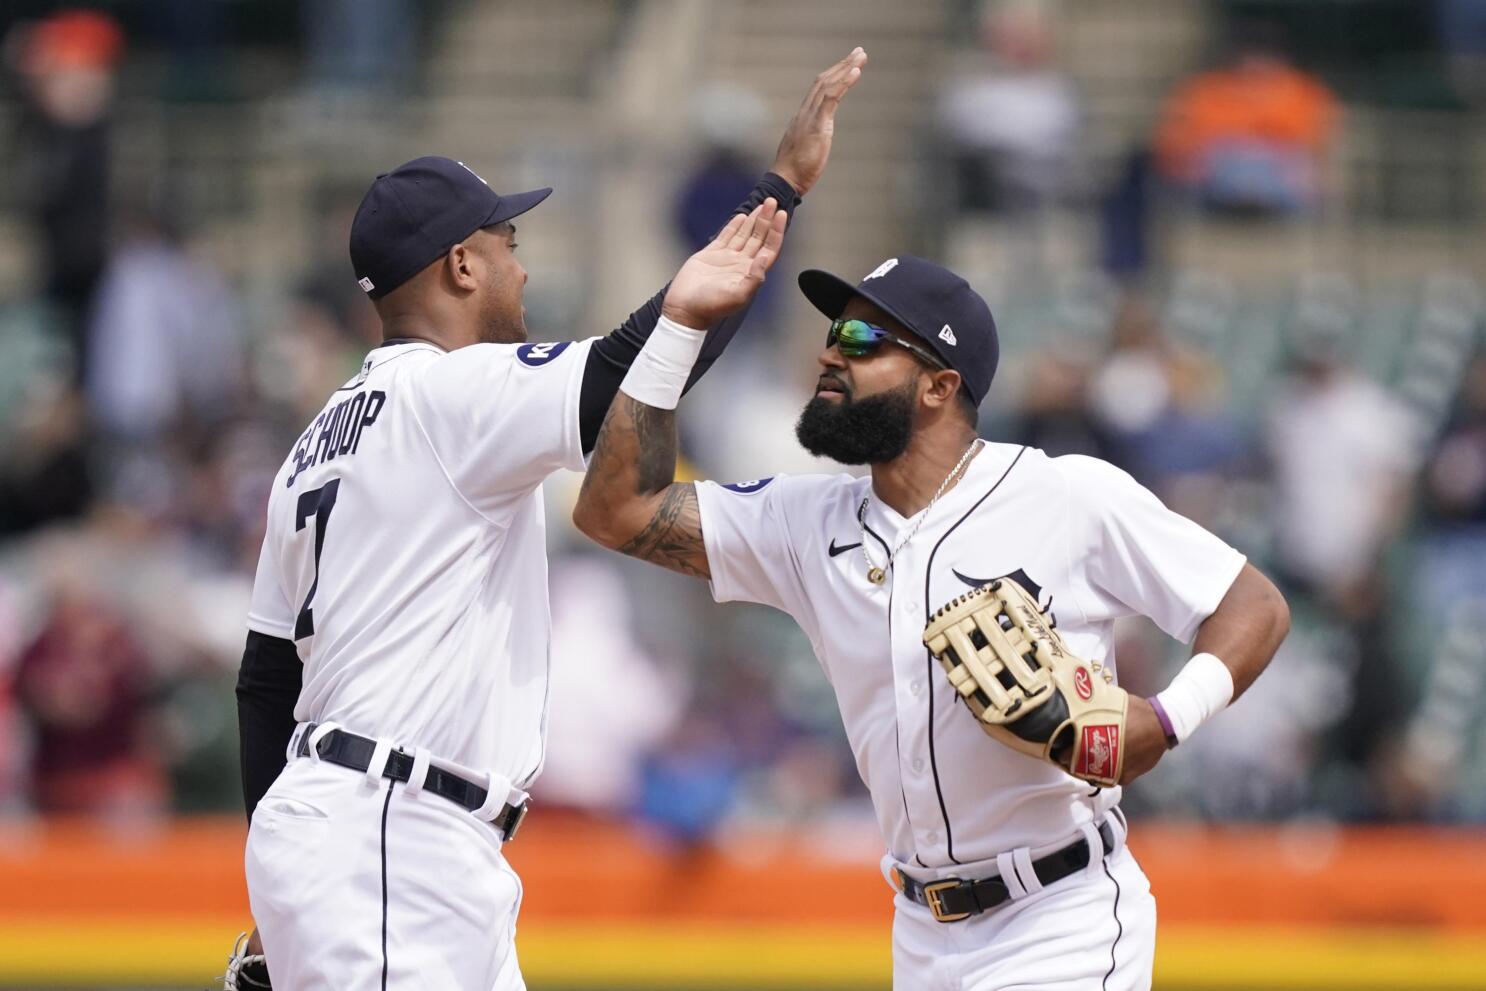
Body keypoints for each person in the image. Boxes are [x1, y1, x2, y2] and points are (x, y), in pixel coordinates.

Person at [232, 48, 867, 989]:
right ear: (459, 265)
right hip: (389, 831)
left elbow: (265, 678)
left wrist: (273, 891)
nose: (519, 271)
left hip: (385, 836)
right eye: (507, 248)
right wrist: (778, 193)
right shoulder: (450, 394)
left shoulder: (316, 442)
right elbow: (627, 378)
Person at [573, 255, 1290, 989]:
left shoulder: (1064, 495)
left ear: (940, 384)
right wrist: (682, 324)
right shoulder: (803, 521)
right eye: (831, 334)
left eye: (860, 339)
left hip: (1060, 919)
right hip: (921, 937)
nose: (830, 353)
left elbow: (1252, 604)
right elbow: (614, 508)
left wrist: (1164, 720)